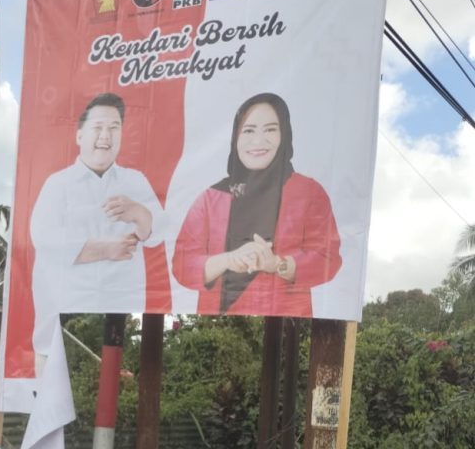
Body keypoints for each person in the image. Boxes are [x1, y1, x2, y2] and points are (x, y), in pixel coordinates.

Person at [172, 92, 341, 316]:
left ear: (285, 136)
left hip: (287, 327)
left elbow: (328, 258)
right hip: (219, 327)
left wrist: (277, 264)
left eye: (270, 129)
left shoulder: (309, 192)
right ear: (235, 138)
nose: (258, 141)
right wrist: (228, 260)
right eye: (249, 130)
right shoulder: (211, 198)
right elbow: (182, 264)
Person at [31, 92, 163, 353]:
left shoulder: (135, 181)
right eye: (98, 128)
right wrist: (106, 249)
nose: (106, 136)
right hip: (67, 315)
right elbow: (44, 240)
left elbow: (158, 234)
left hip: (122, 315)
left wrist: (138, 212)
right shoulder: (58, 184)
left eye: (114, 128)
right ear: (80, 135)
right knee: (59, 387)